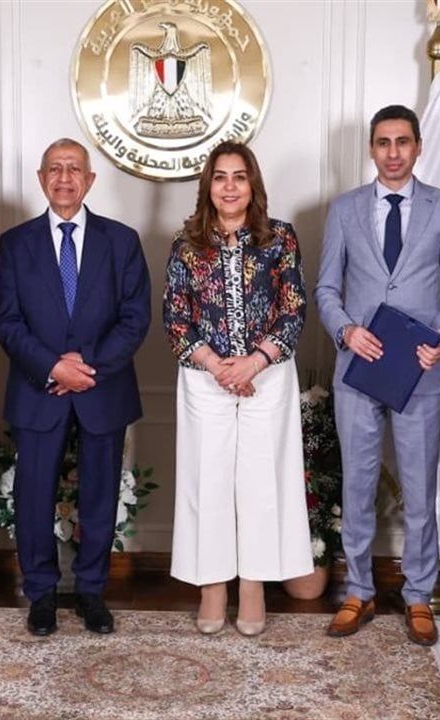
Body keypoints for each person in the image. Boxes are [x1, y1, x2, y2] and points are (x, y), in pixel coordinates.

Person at [315, 105, 440, 646]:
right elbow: (326, 288)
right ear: (372, 149)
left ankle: (418, 595)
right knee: (357, 484)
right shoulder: (345, 209)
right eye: (383, 142)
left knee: (420, 489)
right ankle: (359, 590)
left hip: (419, 370)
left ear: (418, 147)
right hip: (358, 368)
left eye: (403, 141)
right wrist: (346, 331)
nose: (393, 152)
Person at [0, 138, 151, 637]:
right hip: (38, 389)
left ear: (90, 180)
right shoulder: (15, 243)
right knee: (33, 497)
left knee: (99, 497)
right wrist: (52, 367)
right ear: (41, 179)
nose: (64, 178)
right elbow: (6, 321)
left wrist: (87, 366)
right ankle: (40, 595)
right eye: (55, 169)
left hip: (103, 389)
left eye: (74, 169)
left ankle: (90, 593)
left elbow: (135, 318)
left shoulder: (122, 241)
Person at [164, 141, 311, 637]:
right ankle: (212, 587)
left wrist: (253, 363)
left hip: (267, 375)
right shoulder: (186, 243)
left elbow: (293, 308)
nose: (229, 187)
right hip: (203, 378)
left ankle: (252, 585)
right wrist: (215, 365)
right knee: (207, 480)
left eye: (239, 176)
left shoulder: (280, 238)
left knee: (261, 481)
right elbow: (175, 317)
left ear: (253, 185)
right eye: (221, 177)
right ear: (208, 185)